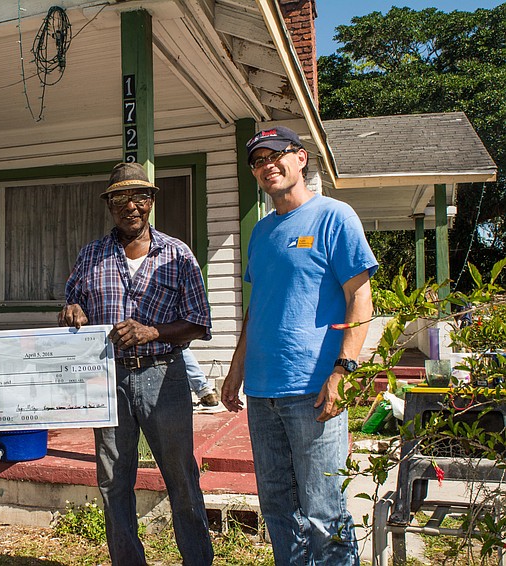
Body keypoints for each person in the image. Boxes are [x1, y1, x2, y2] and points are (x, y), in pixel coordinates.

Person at [221, 126, 377, 565]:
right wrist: (237, 370)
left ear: (301, 158)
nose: (267, 165)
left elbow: (360, 297)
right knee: (277, 507)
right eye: (257, 160)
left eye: (276, 155)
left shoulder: (335, 216)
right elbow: (259, 307)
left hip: (313, 389)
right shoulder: (262, 232)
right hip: (263, 392)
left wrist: (342, 370)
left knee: (324, 508)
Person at [59, 162, 214, 565]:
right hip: (107, 377)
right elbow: (73, 299)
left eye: (139, 196)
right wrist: (73, 309)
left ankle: (197, 560)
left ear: (151, 202)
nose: (131, 206)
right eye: (120, 198)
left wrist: (153, 332)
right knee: (113, 479)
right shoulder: (91, 254)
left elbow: (199, 322)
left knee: (180, 477)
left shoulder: (177, 254)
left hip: (163, 376)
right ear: (109, 205)